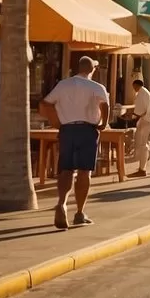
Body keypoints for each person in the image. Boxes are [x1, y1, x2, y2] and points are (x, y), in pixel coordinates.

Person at [39, 56, 109, 229]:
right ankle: (79, 212)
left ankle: (62, 203)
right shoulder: (96, 87)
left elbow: (45, 104)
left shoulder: (63, 84)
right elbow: (105, 105)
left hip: (67, 130)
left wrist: (56, 122)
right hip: (87, 130)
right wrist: (103, 123)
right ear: (92, 69)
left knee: (66, 169)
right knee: (85, 172)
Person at [130, 78, 150, 178]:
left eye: (134, 87)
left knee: (143, 145)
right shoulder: (146, 93)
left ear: (137, 85)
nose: (133, 89)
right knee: (144, 144)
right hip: (148, 120)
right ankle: (142, 167)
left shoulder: (142, 93)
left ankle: (142, 169)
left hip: (146, 121)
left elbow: (140, 110)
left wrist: (131, 116)